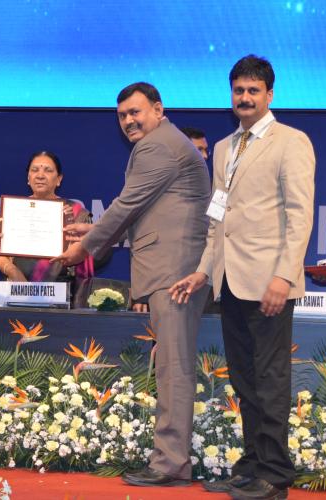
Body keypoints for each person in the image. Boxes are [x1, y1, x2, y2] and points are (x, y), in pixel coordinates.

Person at [170, 54, 315, 499]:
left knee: (270, 379)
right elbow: (219, 219)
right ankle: (252, 465)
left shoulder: (292, 142)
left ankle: (275, 475)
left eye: (254, 90)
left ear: (270, 95)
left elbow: (300, 215)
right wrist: (203, 272)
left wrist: (284, 277)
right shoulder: (225, 148)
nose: (245, 97)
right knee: (244, 379)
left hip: (269, 282)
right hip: (230, 281)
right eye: (238, 90)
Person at [53, 82, 211, 487]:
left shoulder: (157, 145)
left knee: (173, 368)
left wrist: (83, 248)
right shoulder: (166, 143)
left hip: (174, 271)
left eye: (135, 112)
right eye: (122, 115)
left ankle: (170, 463)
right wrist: (94, 230)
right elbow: (147, 211)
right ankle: (171, 459)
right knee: (171, 365)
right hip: (172, 266)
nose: (128, 121)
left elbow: (126, 205)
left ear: (158, 109)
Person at [0, 151, 97, 305]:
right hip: (17, 291)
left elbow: (83, 252)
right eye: (34, 170)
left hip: (60, 295)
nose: (40, 175)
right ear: (28, 178)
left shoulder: (75, 212)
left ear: (59, 179)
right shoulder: (13, 209)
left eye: (48, 170)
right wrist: (13, 272)